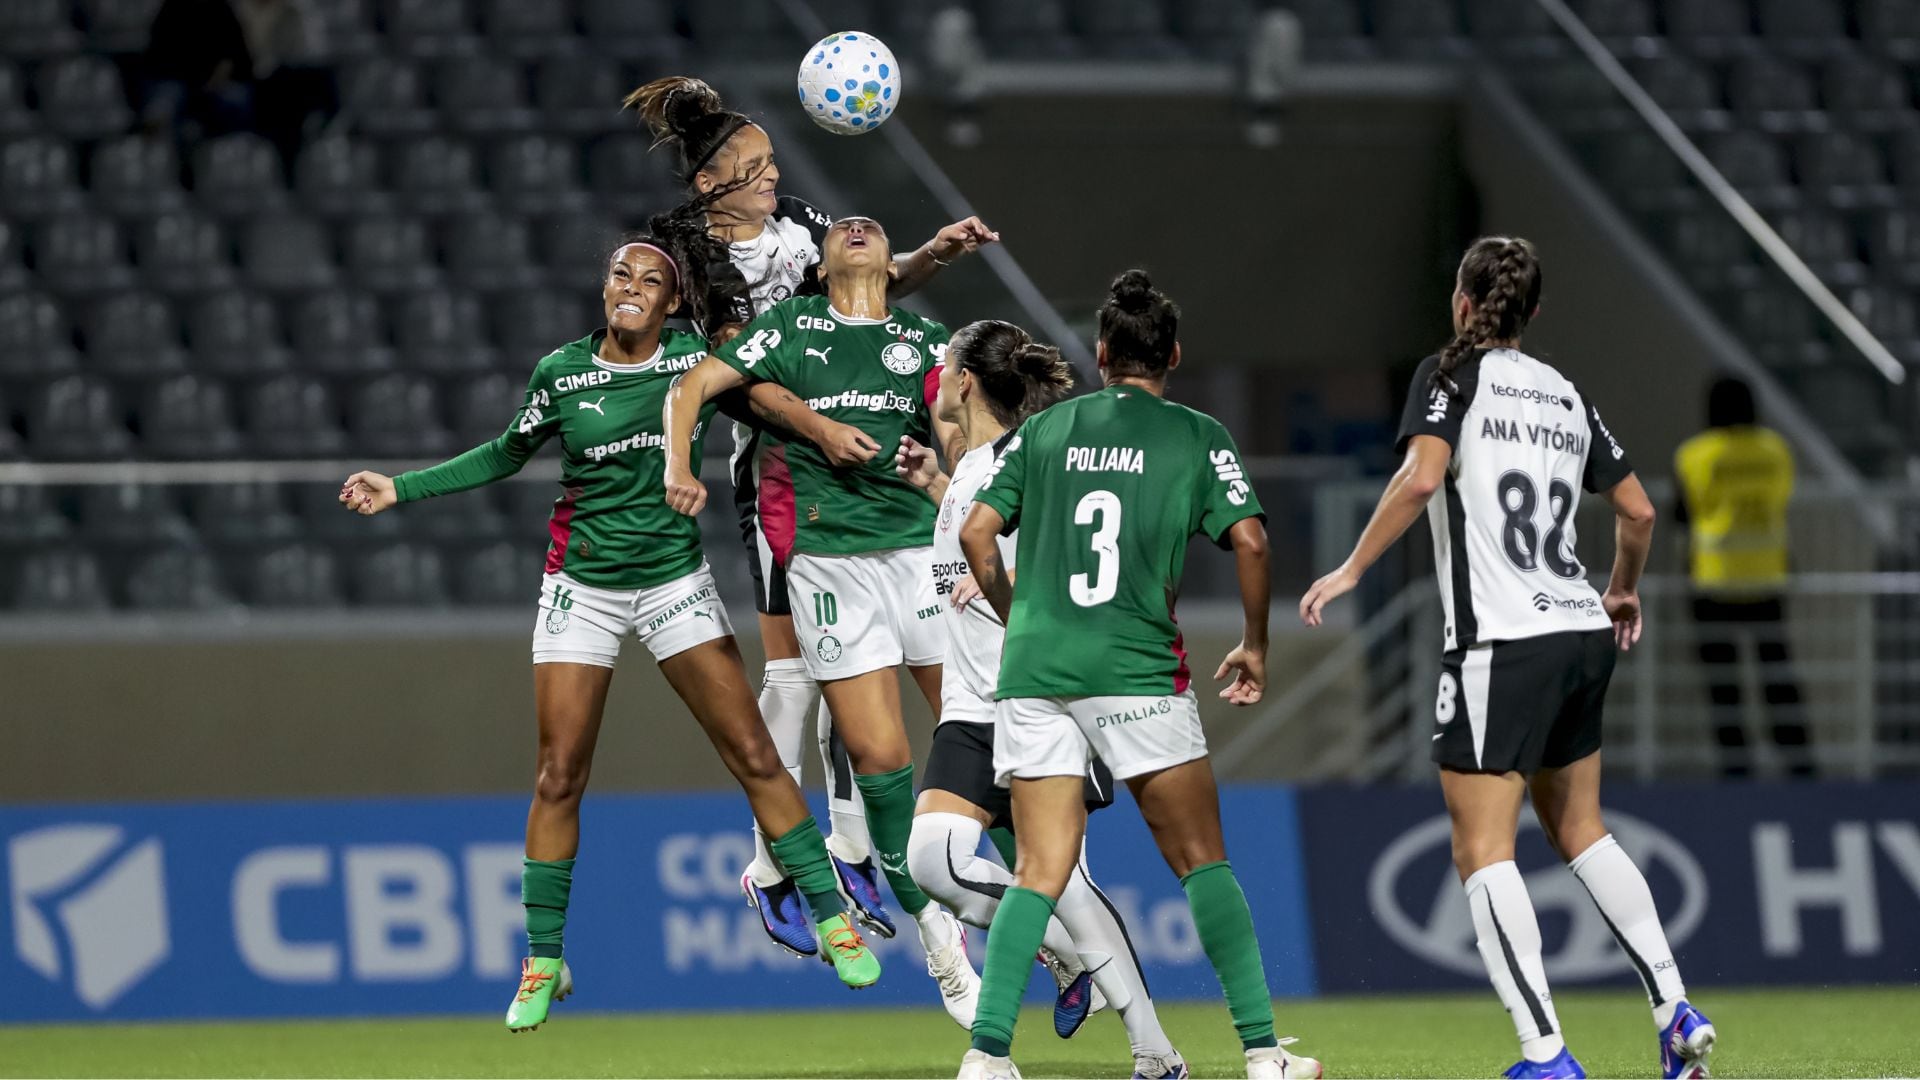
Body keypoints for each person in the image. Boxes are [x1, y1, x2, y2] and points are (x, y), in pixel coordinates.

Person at [337, 226, 884, 1032]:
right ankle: (544, 959)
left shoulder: (695, 361)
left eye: (649, 278)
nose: (629, 284)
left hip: (673, 584)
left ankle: (829, 914)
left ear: (671, 302)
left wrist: (824, 425)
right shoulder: (562, 372)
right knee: (560, 772)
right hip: (581, 588)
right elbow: (503, 453)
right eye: (618, 273)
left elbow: (767, 394)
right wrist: (401, 488)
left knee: (754, 753)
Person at [1299, 237, 1716, 1079]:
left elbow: (1421, 481)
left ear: (1463, 301)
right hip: (1578, 630)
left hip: (1501, 641)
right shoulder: (1566, 393)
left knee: (1483, 850)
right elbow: (1637, 513)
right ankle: (1674, 1010)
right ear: (1532, 314)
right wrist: (1622, 589)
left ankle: (1546, 1055)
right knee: (1583, 831)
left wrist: (1350, 567)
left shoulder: (1448, 373)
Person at [625, 76, 999, 953]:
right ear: (709, 185)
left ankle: (850, 843)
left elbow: (854, 304)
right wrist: (817, 424)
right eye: (751, 169)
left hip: (845, 467)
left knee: (841, 669)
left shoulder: (795, 222)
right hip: (777, 466)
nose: (771, 177)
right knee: (798, 673)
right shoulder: (683, 250)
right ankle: (778, 860)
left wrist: (932, 256)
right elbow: (738, 376)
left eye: (769, 162)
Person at [953, 271, 1321, 1080]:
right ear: (1173, 355)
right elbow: (1253, 543)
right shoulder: (1196, 436)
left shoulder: (1044, 432)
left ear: (1102, 353)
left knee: (1039, 870)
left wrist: (1021, 618)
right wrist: (1256, 644)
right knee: (1200, 860)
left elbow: (978, 535)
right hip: (1135, 668)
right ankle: (1264, 1055)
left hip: (1036, 671)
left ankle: (985, 1058)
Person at [661, 215, 979, 1025]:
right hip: (823, 554)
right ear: (822, 263)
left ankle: (1022, 904)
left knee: (973, 734)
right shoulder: (790, 327)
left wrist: (948, 467)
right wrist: (676, 465)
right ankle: (942, 947)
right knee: (870, 744)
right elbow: (695, 384)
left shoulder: (920, 337)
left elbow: (958, 429)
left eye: (871, 224)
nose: (857, 226)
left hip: (919, 553)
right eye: (842, 228)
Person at [895, 319, 1190, 1079]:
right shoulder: (967, 469)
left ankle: (1155, 1053)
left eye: (943, 364)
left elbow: (1089, 578)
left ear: (964, 381)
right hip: (971, 705)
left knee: (1063, 884)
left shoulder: (1035, 461)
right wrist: (935, 488)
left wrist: (1007, 588)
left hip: (1038, 702)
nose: (934, 378)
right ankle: (1077, 967)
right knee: (934, 861)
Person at [1674, 376, 1810, 778]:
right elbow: (1781, 499)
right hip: (1767, 577)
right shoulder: (1776, 450)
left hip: (1713, 583)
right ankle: (1799, 762)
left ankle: (1737, 768)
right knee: (1778, 677)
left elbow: (1684, 518)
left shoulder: (1694, 455)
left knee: (1725, 685)